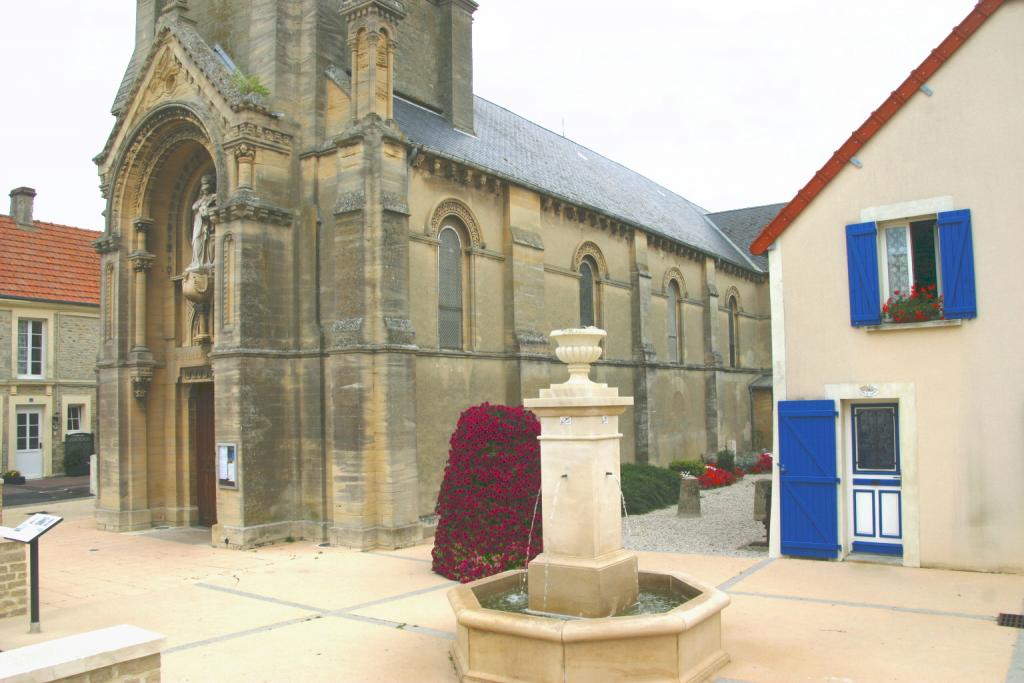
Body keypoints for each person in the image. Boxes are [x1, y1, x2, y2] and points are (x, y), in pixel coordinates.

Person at [190, 175, 216, 268]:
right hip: (198, 224)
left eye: (206, 184)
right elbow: (194, 207)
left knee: (203, 241)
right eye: (203, 185)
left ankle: (202, 262)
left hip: (205, 225)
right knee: (196, 241)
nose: (204, 187)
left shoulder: (213, 197)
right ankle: (197, 262)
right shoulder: (200, 200)